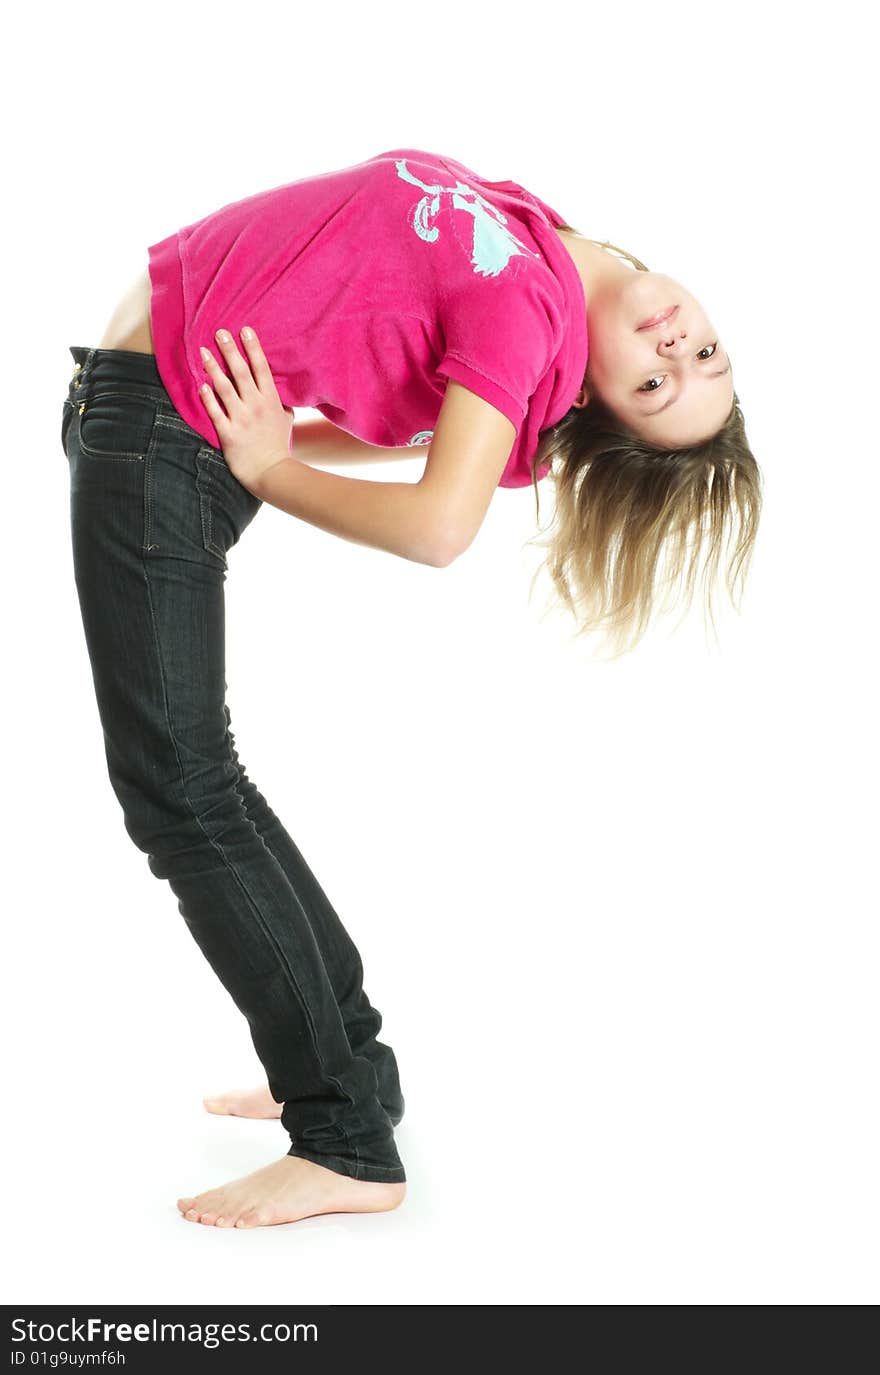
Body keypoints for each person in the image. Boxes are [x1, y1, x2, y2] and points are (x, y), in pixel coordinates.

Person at [60, 147, 761, 1230]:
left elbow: (442, 526)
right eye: (703, 353)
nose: (677, 345)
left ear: (600, 401)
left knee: (179, 792)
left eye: (658, 386)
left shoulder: (530, 307)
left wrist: (272, 467)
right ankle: (348, 1069)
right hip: (152, 415)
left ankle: (341, 1135)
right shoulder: (537, 242)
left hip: (159, 430)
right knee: (208, 787)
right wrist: (279, 438)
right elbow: (431, 415)